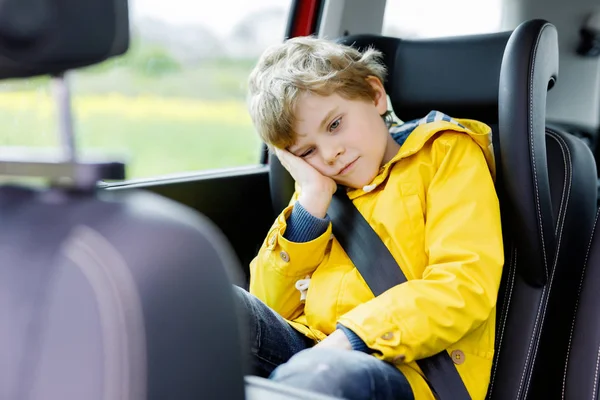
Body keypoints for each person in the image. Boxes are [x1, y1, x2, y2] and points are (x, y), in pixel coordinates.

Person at [237, 35, 504, 400]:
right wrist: (311, 202)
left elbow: (462, 284)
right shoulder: (321, 191)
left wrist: (351, 339)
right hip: (315, 353)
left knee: (325, 374)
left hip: (409, 370)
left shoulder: (443, 155)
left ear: (375, 95)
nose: (330, 154)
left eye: (334, 125)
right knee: (212, 303)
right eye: (307, 150)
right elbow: (270, 307)